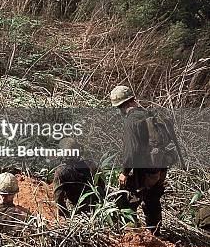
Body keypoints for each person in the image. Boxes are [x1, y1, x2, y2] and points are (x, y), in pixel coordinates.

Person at [111, 85, 166, 235]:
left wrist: (125, 172)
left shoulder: (131, 122)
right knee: (152, 200)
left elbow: (131, 151)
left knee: (126, 199)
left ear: (123, 106)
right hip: (159, 168)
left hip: (145, 170)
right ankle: (155, 234)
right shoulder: (149, 114)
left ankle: (130, 234)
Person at [53, 137, 105, 217]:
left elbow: (58, 199)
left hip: (76, 211)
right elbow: (102, 187)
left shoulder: (60, 171)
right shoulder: (91, 165)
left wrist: (66, 216)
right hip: (96, 209)